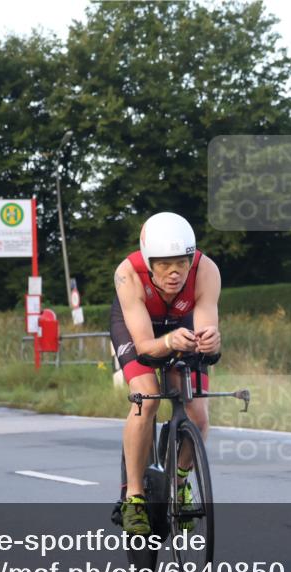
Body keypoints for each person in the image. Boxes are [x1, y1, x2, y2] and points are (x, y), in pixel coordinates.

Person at [110, 212, 222, 535]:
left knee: (197, 413)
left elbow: (206, 339)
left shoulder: (206, 271)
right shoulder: (127, 273)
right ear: (148, 262)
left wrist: (211, 342)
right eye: (163, 265)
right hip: (139, 329)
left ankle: (181, 483)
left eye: (182, 263)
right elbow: (145, 346)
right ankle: (134, 498)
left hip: (182, 325)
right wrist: (169, 341)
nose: (174, 273)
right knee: (146, 399)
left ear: (192, 258)